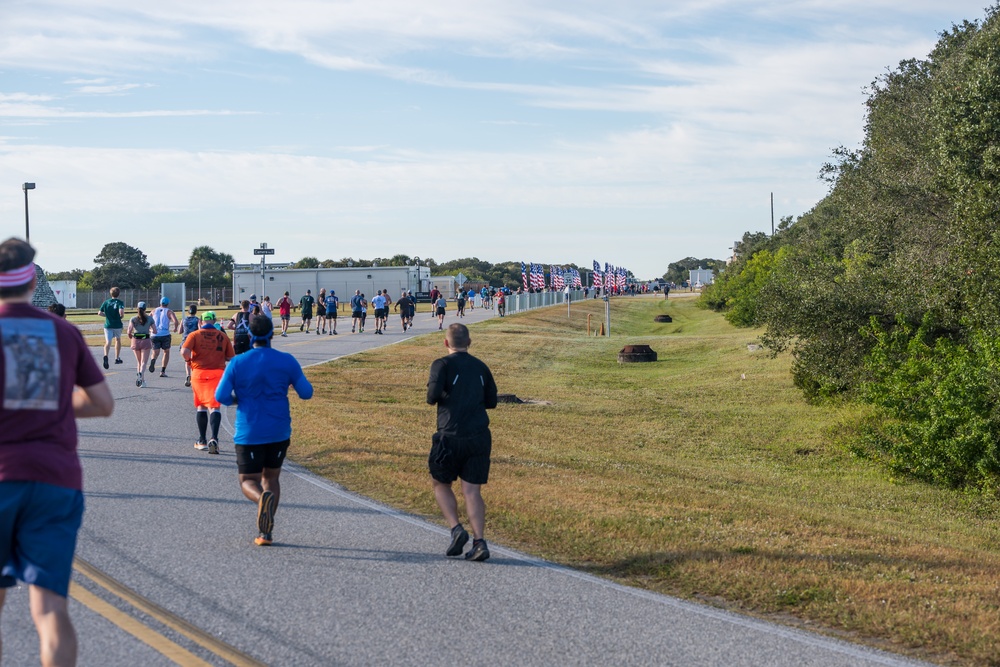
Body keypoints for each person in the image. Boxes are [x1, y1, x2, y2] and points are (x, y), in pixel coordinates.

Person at [0, 237, 114, 667]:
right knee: (50, 609)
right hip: (54, 479)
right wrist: (48, 405)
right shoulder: (62, 331)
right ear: (32, 279)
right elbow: (102, 403)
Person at [216, 316, 313, 546]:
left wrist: (239, 399)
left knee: (248, 480)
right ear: (272, 334)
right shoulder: (286, 361)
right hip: (279, 430)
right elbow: (307, 392)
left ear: (250, 335)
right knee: (271, 478)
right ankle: (265, 533)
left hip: (249, 431)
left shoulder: (238, 363)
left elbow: (220, 397)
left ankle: (261, 501)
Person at [426, 323, 498, 561]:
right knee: (472, 491)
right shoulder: (481, 367)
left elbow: (431, 397)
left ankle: (456, 528)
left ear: (446, 343)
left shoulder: (441, 364)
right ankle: (479, 542)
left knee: (440, 483)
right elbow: (491, 401)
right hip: (479, 435)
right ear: (469, 342)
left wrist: (449, 396)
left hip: (450, 434)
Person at [181, 311, 235, 454]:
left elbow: (184, 351)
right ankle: (215, 439)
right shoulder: (222, 336)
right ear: (215, 321)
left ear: (201, 322)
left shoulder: (194, 335)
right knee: (215, 407)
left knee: (201, 406)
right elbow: (231, 356)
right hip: (217, 373)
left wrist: (188, 361)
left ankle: (202, 440)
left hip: (199, 373)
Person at [127, 302, 158, 388]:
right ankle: (141, 374)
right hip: (145, 340)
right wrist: (150, 331)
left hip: (136, 340)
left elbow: (129, 330)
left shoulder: (133, 319)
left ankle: (142, 380)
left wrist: (130, 336)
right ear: (145, 309)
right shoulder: (150, 319)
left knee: (139, 362)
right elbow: (155, 330)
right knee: (144, 362)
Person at [150, 297, 179, 378]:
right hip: (165, 334)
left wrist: (150, 328)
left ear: (160, 303)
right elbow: (176, 321)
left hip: (154, 334)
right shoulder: (169, 311)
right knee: (166, 352)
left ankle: (153, 360)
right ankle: (162, 371)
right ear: (168, 304)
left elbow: (148, 319)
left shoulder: (154, 311)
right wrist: (175, 328)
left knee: (155, 352)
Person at [98, 286, 125, 370]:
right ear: (118, 294)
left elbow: (99, 313)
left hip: (108, 325)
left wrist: (106, 316)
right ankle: (117, 358)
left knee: (108, 342)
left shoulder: (106, 302)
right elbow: (121, 312)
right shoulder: (120, 302)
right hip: (117, 325)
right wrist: (121, 316)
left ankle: (106, 355)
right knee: (117, 340)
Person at [179, 304, 200, 387]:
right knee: (195, 360)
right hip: (195, 341)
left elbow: (179, 331)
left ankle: (188, 375)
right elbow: (200, 329)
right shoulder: (197, 320)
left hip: (185, 341)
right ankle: (193, 376)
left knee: (187, 360)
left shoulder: (184, 319)